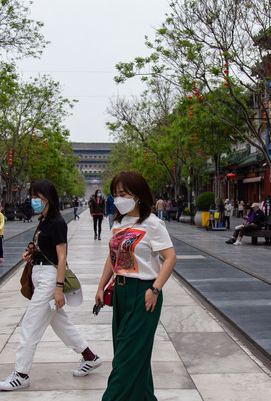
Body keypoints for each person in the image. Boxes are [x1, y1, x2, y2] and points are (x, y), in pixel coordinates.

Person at [0, 179, 102, 391]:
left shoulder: (56, 222)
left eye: (37, 196)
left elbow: (62, 258)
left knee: (30, 325)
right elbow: (45, 248)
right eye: (33, 196)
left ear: (48, 198)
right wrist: (32, 253)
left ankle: (21, 373)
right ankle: (89, 357)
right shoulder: (43, 220)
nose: (33, 200)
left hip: (48, 278)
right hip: (39, 272)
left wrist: (58, 288)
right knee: (59, 322)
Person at [95, 170, 177, 400]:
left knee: (126, 362)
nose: (118, 198)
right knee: (131, 356)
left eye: (123, 193)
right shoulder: (118, 224)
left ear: (138, 195)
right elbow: (113, 258)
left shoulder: (153, 224)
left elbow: (170, 258)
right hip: (120, 293)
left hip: (144, 294)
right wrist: (101, 287)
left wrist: (155, 289)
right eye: (115, 194)